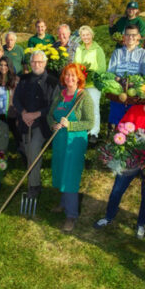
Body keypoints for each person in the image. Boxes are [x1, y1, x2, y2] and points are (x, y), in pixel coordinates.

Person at [94, 85, 145, 238]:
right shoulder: (135, 110)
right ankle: (108, 216)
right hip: (130, 156)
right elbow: (122, 128)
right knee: (117, 189)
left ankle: (141, 224)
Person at [47, 64, 94, 231]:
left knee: (71, 176)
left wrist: (71, 125)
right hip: (59, 139)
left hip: (75, 141)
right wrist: (53, 124)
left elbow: (90, 122)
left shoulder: (84, 97)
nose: (70, 79)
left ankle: (71, 215)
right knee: (60, 171)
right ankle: (63, 203)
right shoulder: (60, 95)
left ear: (79, 77)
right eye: (67, 75)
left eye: (73, 75)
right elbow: (50, 114)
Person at [13, 50, 60, 198]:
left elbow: (55, 105)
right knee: (29, 153)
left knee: (33, 150)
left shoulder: (53, 82)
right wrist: (23, 113)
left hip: (43, 123)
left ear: (45, 63)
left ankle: (33, 186)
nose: (36, 64)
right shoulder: (24, 79)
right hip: (25, 122)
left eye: (40, 62)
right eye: (34, 62)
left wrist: (38, 114)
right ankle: (34, 181)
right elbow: (16, 100)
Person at [107, 24, 145, 126]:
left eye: (133, 35)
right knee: (116, 118)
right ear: (124, 37)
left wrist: (136, 83)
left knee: (133, 121)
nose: (130, 37)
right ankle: (114, 134)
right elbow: (110, 72)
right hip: (119, 89)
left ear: (138, 37)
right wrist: (117, 79)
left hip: (135, 91)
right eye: (127, 35)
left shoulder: (143, 53)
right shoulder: (117, 53)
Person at [73, 25, 106, 143]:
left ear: (92, 35)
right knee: (82, 108)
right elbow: (76, 65)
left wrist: (92, 74)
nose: (85, 37)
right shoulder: (79, 49)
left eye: (87, 35)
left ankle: (94, 132)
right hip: (82, 84)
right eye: (83, 35)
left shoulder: (98, 49)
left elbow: (102, 67)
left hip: (93, 84)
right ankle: (84, 129)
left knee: (93, 107)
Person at [0, 56, 19, 145]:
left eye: (5, 65)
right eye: (1, 65)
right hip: (0, 114)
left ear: (9, 66)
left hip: (12, 113)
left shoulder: (16, 80)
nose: (3, 67)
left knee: (17, 135)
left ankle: (21, 152)